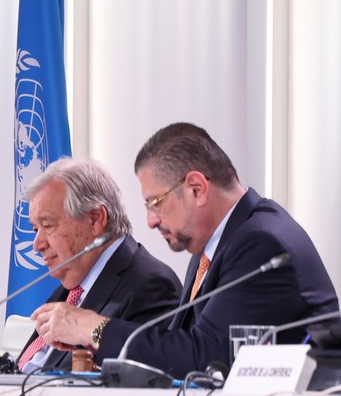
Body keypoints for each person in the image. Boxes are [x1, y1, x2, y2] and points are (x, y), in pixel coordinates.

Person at [48, 123, 339, 377]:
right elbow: (180, 346)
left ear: (196, 188)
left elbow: (208, 360)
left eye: (155, 203)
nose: (151, 221)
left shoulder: (261, 244)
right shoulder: (216, 245)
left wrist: (95, 328)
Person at [16, 156, 182, 374]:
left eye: (48, 226)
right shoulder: (70, 289)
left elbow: (138, 378)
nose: (37, 245)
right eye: (35, 229)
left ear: (95, 219)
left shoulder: (151, 286)